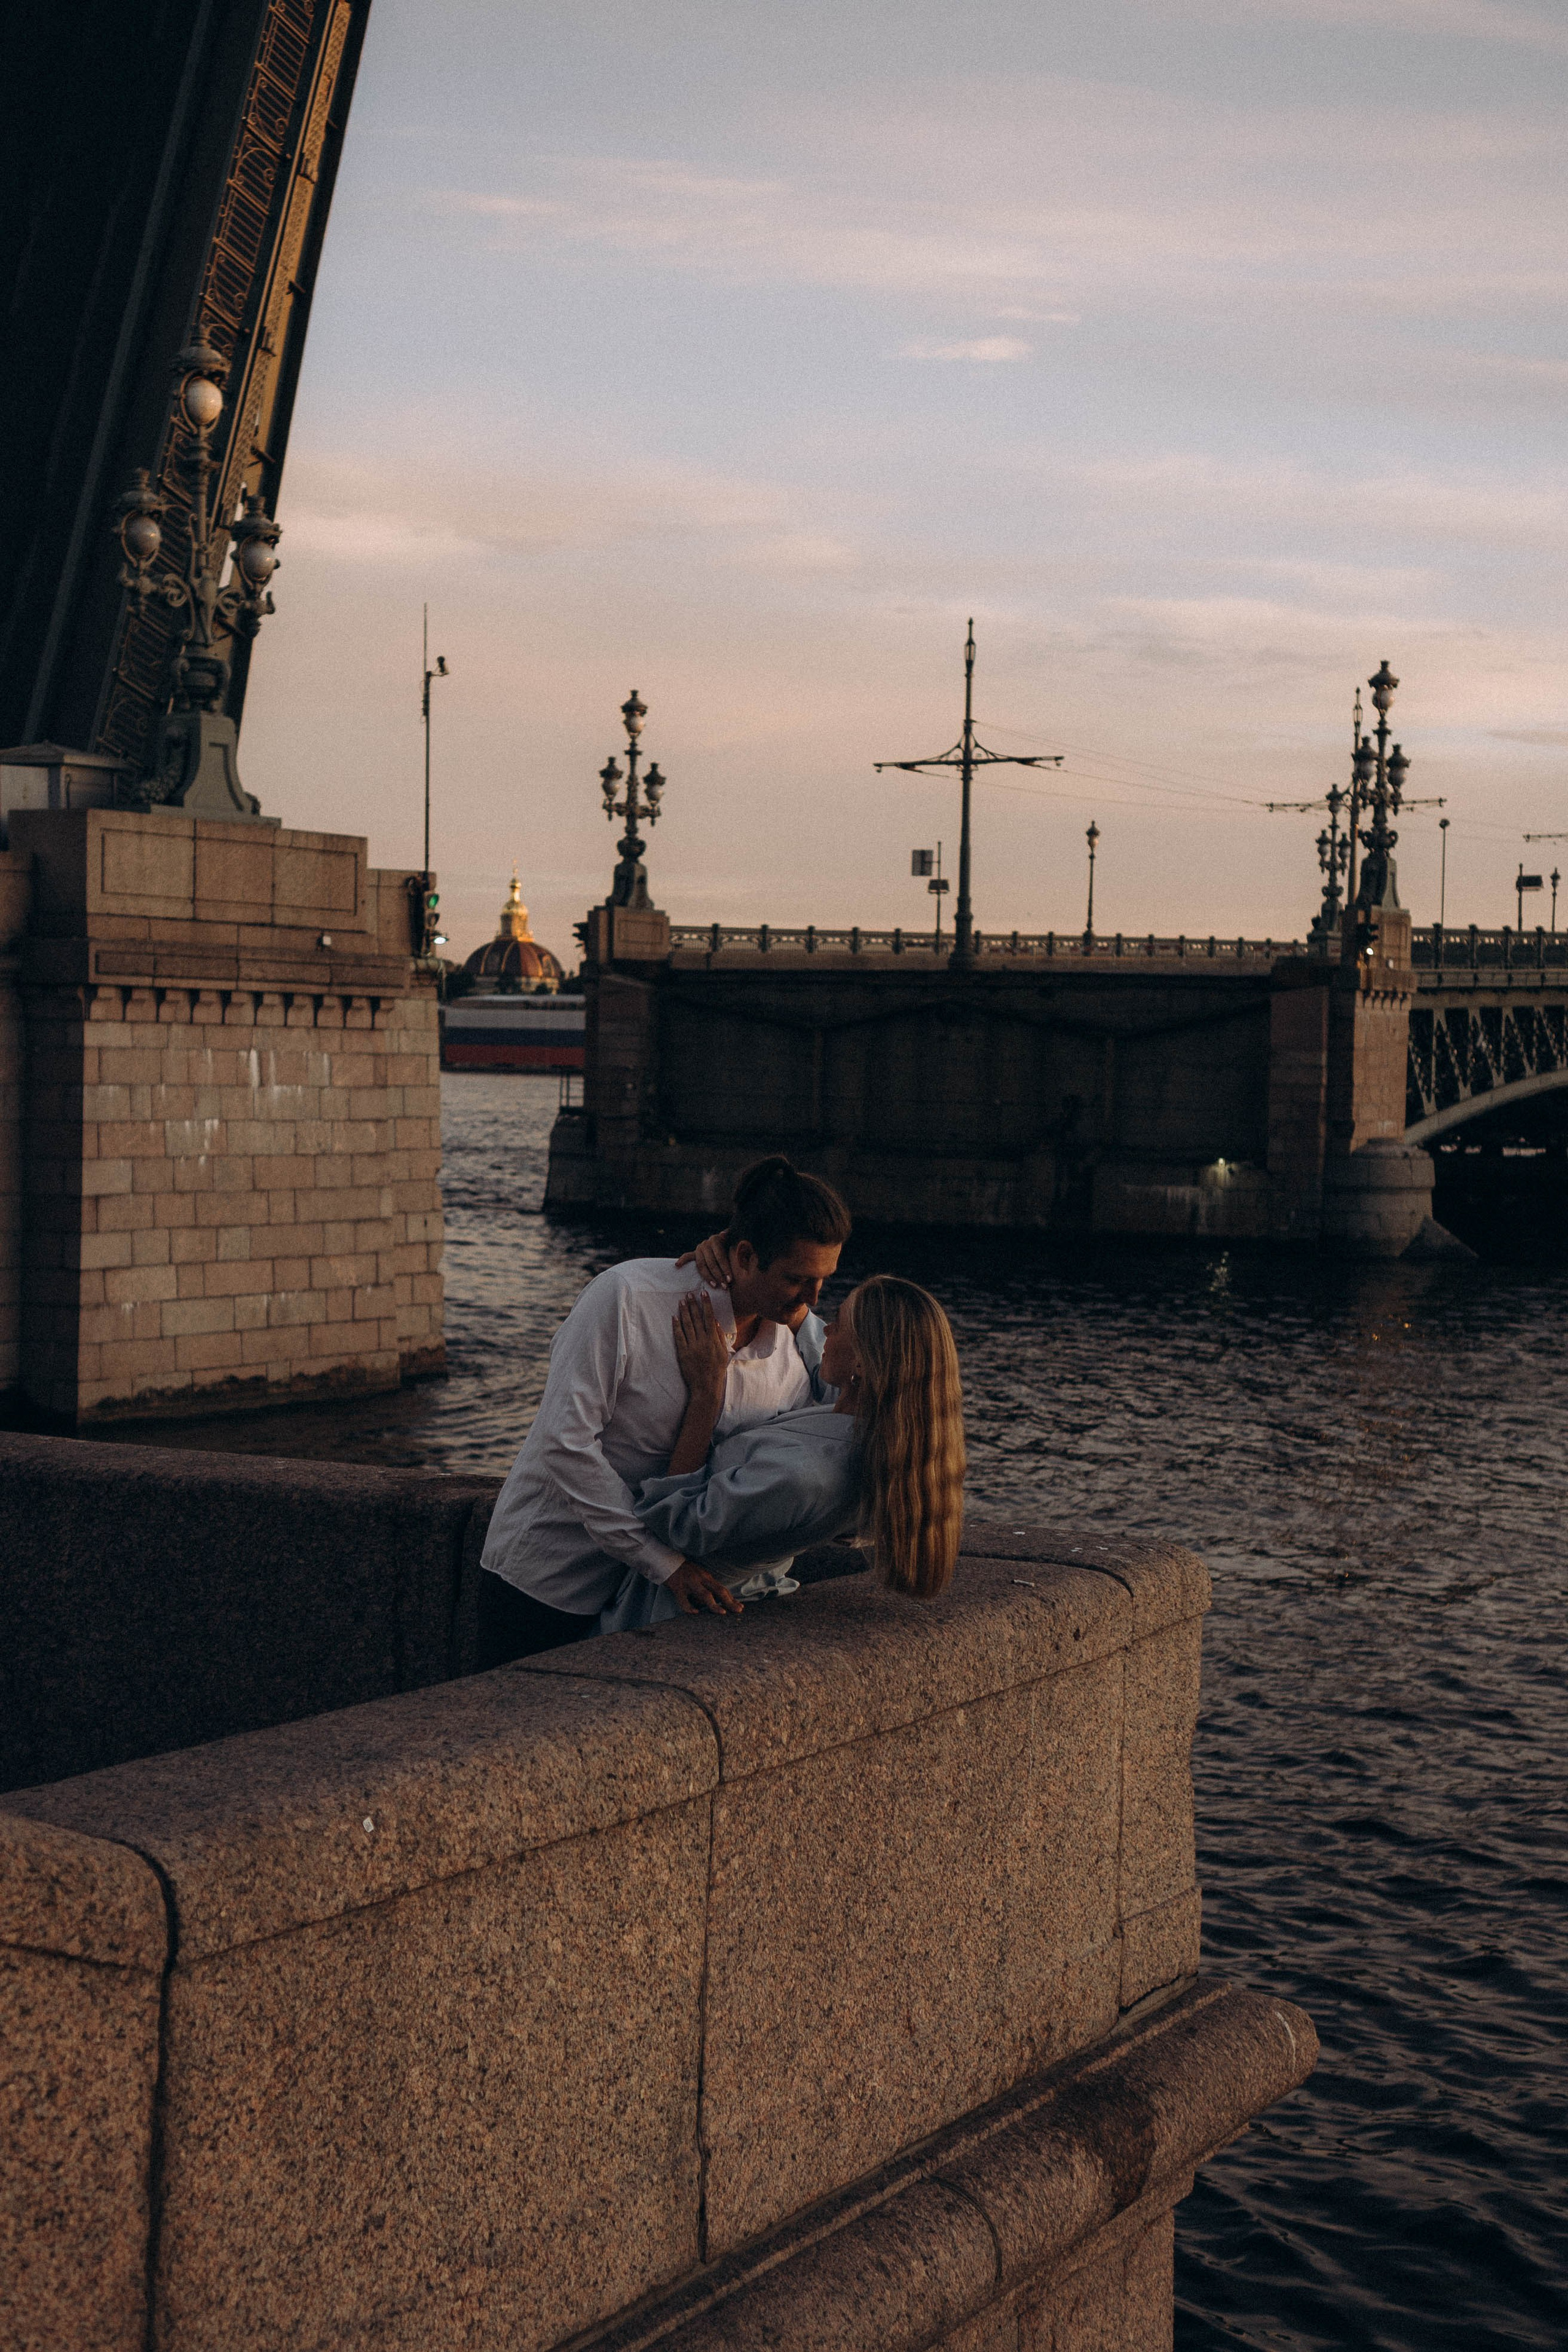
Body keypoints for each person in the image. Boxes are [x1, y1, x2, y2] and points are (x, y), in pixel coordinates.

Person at [477, 1156, 852, 1662]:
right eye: (797, 1279)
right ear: (745, 1257)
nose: (813, 1298)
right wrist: (663, 1562)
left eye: (824, 1279)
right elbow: (564, 1443)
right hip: (551, 1578)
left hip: (652, 1603)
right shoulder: (630, 1298)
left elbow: (842, 1420)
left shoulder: (795, 1351)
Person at [600, 1274, 966, 1631]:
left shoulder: (804, 1476)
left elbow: (677, 1524)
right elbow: (821, 1361)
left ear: (861, 1364)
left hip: (681, 1615)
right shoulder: (884, 1438)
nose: (826, 1329)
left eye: (839, 1323)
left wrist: (707, 1392)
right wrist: (775, 1284)